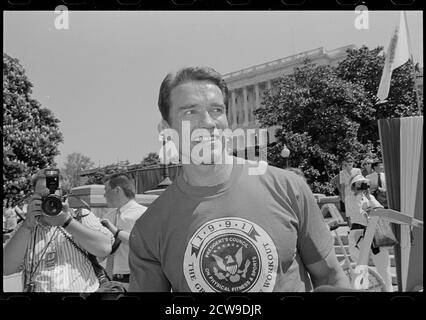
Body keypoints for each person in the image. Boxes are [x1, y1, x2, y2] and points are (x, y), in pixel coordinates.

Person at [128, 66, 350, 292]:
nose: (208, 122)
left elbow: (330, 278)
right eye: (190, 112)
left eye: (216, 110)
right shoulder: (149, 228)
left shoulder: (288, 188)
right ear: (166, 130)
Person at [3, 169, 114, 292]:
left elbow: (104, 249)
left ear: (64, 197)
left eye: (53, 196)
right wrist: (27, 225)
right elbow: (6, 268)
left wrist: (67, 222)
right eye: (42, 197)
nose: (49, 201)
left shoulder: (81, 216)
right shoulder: (25, 227)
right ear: (33, 197)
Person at [344, 173, 393, 292]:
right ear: (353, 186)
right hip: (359, 234)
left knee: (384, 266)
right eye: (359, 184)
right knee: (361, 268)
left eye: (364, 184)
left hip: (375, 234)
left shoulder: (370, 197)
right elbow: (355, 212)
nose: (362, 186)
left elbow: (380, 210)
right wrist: (357, 196)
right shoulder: (349, 198)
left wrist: (369, 197)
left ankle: (388, 290)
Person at [100, 173, 147, 285]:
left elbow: (143, 244)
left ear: (117, 190)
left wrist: (116, 232)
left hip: (136, 281)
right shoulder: (108, 217)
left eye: (106, 190)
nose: (104, 195)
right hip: (111, 282)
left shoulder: (144, 214)